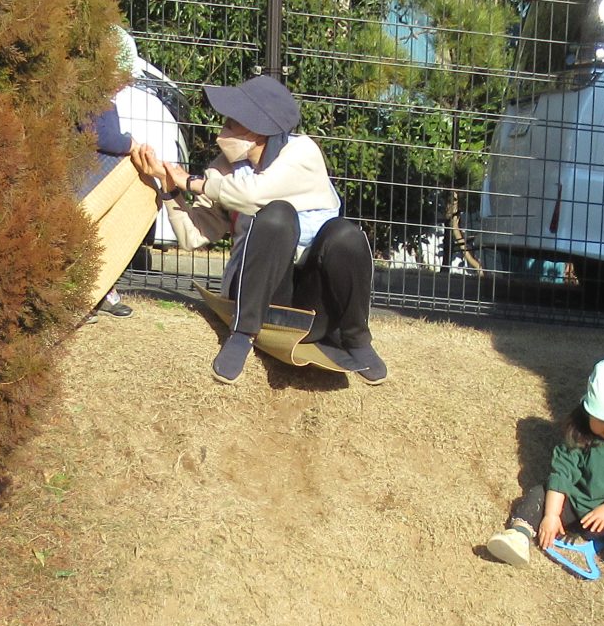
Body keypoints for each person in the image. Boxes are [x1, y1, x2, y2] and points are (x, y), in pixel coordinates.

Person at [138, 72, 387, 385]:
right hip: (257, 300)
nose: (221, 132)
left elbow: (254, 194)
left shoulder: (302, 152)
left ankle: (357, 339)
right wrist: (169, 187)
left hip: (312, 310)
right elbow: (192, 235)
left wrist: (190, 181)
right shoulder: (222, 169)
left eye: (231, 123)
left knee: (343, 234)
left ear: (257, 131)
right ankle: (243, 334)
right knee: (277, 218)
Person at [484, 356, 604, 626]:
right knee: (539, 493)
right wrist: (551, 515)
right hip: (578, 499)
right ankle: (519, 535)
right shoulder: (579, 434)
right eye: (602, 419)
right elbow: (562, 473)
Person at [76, 28, 189, 318]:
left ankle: (100, 288)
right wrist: (131, 144)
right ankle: (95, 290)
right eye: (122, 76)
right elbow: (103, 137)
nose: (125, 83)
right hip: (85, 184)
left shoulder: (94, 96)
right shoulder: (92, 98)